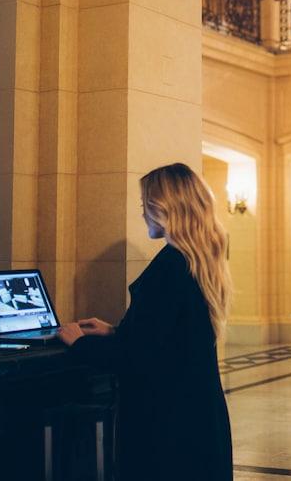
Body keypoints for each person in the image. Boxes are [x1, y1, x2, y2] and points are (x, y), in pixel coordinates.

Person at [58, 162, 233, 480]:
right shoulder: (197, 260)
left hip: (168, 426)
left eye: (144, 205)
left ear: (162, 207)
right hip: (198, 416)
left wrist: (79, 342)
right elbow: (174, 337)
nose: (141, 214)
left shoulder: (170, 266)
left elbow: (139, 358)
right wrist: (114, 331)